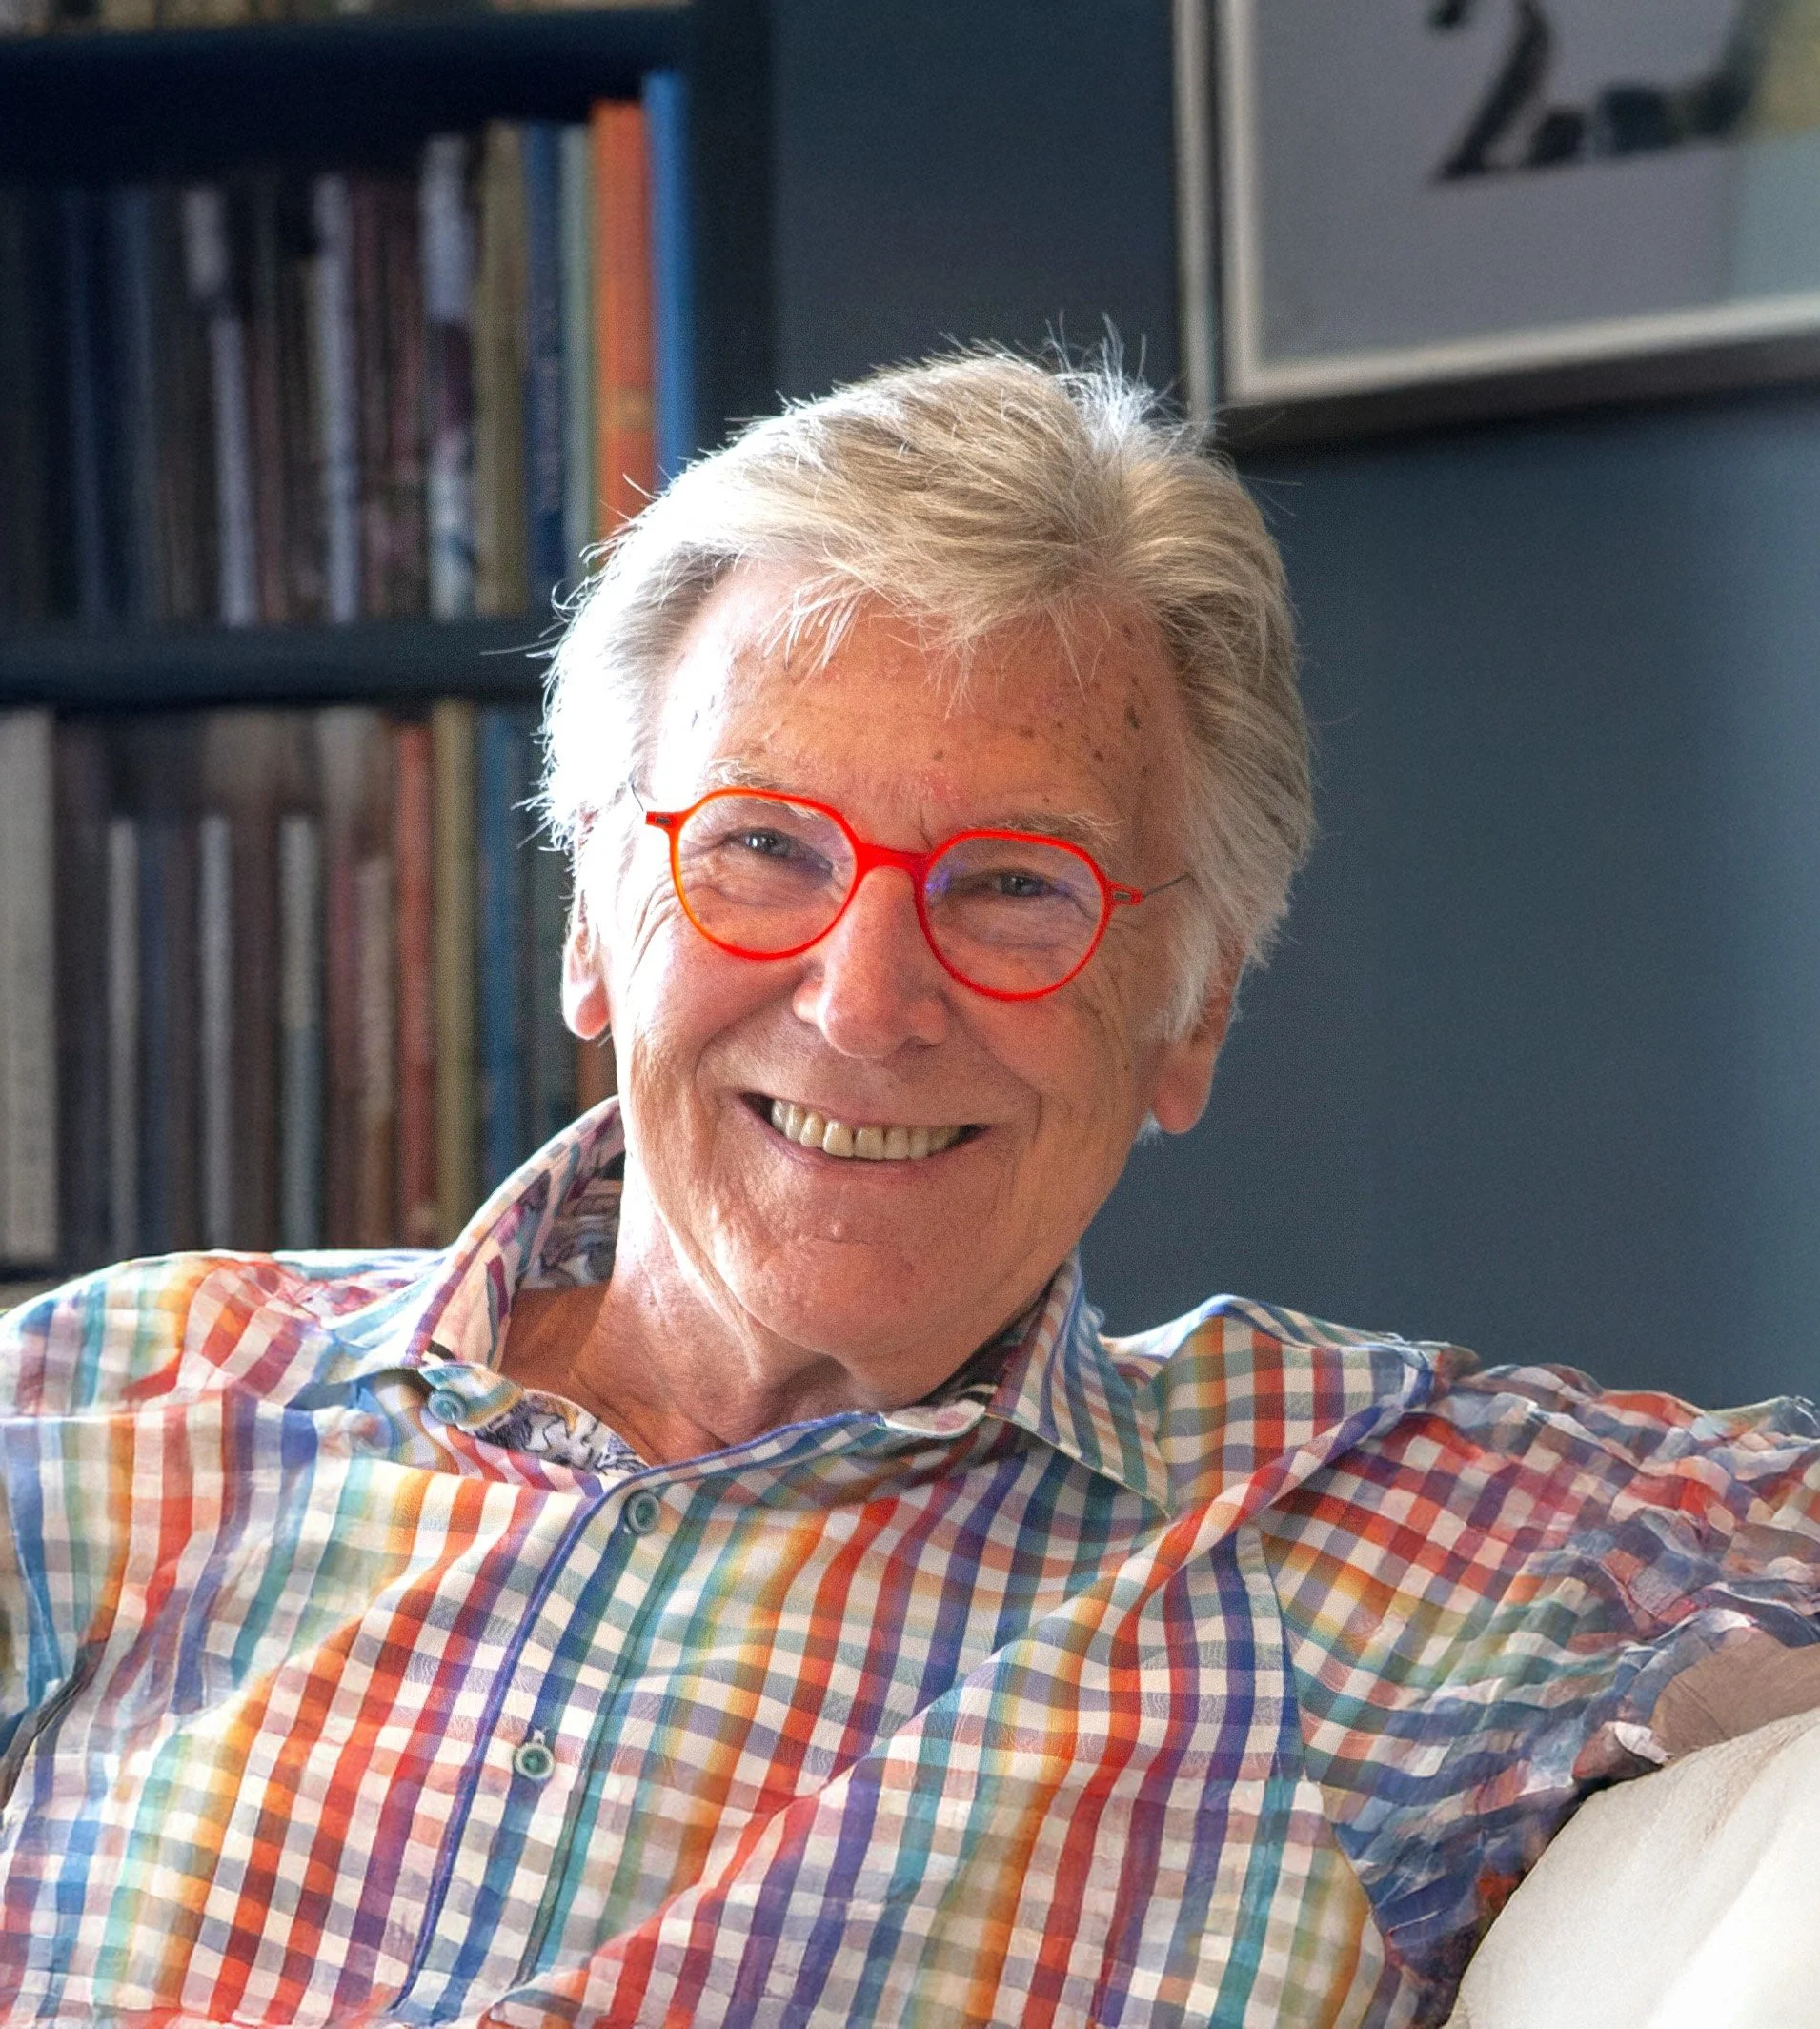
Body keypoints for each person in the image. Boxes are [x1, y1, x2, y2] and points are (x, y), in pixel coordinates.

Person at [2, 352, 1818, 2029]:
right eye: (762, 850)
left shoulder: (1358, 1550)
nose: (863, 1004)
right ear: (587, 923)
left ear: (1190, 1008)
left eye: (1016, 886)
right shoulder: (122, 1399)